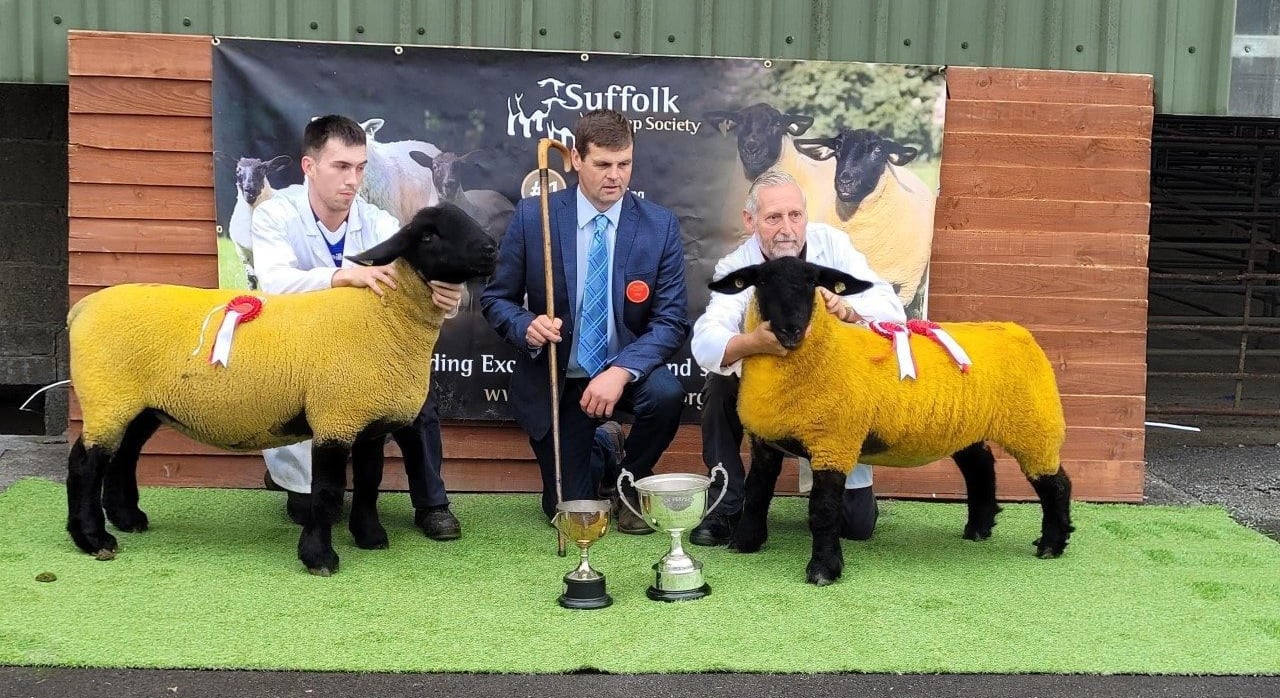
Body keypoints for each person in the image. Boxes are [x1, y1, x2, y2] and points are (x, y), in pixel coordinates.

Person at [251, 114, 464, 541]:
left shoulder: (380, 222)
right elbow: (273, 283)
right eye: (341, 167)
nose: (353, 180)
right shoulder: (274, 215)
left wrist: (447, 300)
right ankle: (300, 483)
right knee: (307, 508)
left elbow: (417, 285)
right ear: (309, 167)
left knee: (415, 393)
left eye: (361, 168)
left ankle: (432, 501)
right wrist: (342, 276)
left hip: (365, 356)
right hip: (302, 359)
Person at [481, 109, 690, 534]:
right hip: (561, 378)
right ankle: (602, 448)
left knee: (666, 394)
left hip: (624, 371)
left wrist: (620, 370)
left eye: (625, 164)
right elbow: (495, 299)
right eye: (603, 164)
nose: (616, 176)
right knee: (566, 509)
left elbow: (670, 321)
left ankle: (629, 481)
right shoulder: (532, 215)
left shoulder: (659, 225)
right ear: (576, 159)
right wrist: (526, 327)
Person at [689, 169, 907, 546]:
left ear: (806, 216)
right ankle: (727, 503)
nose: (786, 228)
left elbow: (892, 310)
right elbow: (706, 341)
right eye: (773, 218)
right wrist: (753, 343)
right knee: (721, 382)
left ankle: (852, 494)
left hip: (826, 389)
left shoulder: (833, 246)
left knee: (856, 527)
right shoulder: (737, 266)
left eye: (795, 215)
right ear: (750, 220)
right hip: (769, 381)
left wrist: (849, 308)